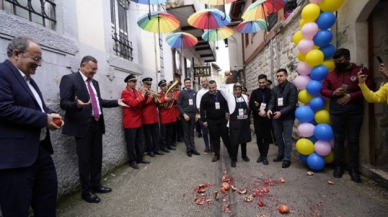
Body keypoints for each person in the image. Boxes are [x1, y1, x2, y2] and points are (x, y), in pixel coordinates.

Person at [0, 36, 63, 217]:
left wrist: (52, 115)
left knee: (47, 202)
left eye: (40, 59)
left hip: (40, 152)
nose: (39, 64)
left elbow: (39, 108)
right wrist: (44, 119)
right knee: (16, 209)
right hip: (14, 159)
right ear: (17, 54)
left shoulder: (28, 79)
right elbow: (3, 108)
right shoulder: (2, 73)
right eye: (35, 59)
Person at [60, 55, 128, 203]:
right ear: (83, 66)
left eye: (96, 69)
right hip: (82, 126)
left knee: (97, 157)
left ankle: (96, 184)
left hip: (97, 123)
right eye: (92, 69)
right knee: (84, 160)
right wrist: (78, 105)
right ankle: (86, 192)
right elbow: (64, 103)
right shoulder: (69, 79)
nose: (94, 72)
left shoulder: (94, 83)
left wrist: (116, 102)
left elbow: (99, 101)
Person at [321, 48, 373, 183]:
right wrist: (333, 93)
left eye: (341, 61)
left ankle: (354, 169)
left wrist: (352, 96)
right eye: (336, 61)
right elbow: (323, 90)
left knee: (353, 140)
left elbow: (370, 88)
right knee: (338, 139)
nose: (338, 63)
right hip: (336, 111)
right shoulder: (331, 75)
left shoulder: (360, 71)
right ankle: (338, 167)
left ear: (349, 59)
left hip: (354, 111)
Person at [267, 69, 297, 169]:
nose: (279, 78)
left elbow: (292, 105)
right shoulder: (275, 89)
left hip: (287, 117)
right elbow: (272, 101)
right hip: (276, 117)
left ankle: (287, 158)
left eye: (281, 76)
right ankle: (280, 154)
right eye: (278, 76)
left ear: (286, 76)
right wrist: (269, 109)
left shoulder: (291, 87)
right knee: (278, 137)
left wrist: (281, 112)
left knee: (287, 138)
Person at [121, 75, 150, 170]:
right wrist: (142, 96)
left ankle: (140, 157)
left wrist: (145, 95)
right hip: (130, 121)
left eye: (135, 81)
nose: (135, 83)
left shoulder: (136, 91)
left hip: (138, 120)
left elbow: (142, 103)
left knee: (139, 140)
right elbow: (133, 103)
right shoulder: (125, 93)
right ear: (128, 83)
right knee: (131, 142)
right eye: (133, 81)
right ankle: (132, 160)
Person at [200, 80, 231, 162]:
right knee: (215, 139)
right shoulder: (205, 97)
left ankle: (231, 152)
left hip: (222, 120)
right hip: (212, 121)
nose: (212, 89)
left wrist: (227, 112)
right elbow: (202, 109)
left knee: (226, 137)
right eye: (210, 88)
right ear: (208, 87)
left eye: (213, 88)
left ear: (216, 86)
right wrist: (204, 120)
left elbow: (227, 103)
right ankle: (217, 155)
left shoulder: (221, 94)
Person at [227, 83, 252, 167]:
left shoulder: (245, 97)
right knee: (234, 141)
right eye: (236, 90)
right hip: (235, 123)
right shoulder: (231, 98)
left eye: (239, 90)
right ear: (234, 90)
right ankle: (234, 159)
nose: (237, 91)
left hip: (244, 122)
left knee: (244, 140)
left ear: (241, 90)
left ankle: (244, 155)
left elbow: (248, 107)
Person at [250, 74, 272, 165]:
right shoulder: (255, 92)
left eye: (263, 82)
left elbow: (272, 103)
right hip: (258, 118)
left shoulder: (271, 92)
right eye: (260, 83)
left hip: (267, 118)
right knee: (259, 137)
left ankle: (265, 156)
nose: (262, 84)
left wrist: (265, 111)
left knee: (266, 137)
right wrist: (258, 111)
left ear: (266, 82)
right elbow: (251, 105)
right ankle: (261, 154)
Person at [141, 77, 164, 158]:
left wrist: (156, 99)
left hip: (154, 117)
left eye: (150, 84)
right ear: (143, 84)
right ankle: (149, 150)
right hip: (146, 117)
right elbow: (142, 103)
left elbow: (158, 103)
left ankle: (156, 149)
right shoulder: (141, 92)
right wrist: (151, 97)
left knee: (155, 134)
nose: (149, 86)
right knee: (148, 136)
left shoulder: (152, 92)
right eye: (147, 84)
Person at [177, 78, 200, 157]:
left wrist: (197, 113)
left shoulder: (194, 92)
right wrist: (184, 114)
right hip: (185, 115)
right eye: (187, 83)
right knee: (186, 133)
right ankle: (188, 149)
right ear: (184, 84)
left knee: (191, 132)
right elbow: (179, 105)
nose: (188, 84)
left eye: (189, 83)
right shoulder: (182, 93)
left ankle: (193, 148)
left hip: (193, 115)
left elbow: (197, 104)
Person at [158, 79, 177, 153]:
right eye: (162, 86)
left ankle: (169, 144)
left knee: (170, 132)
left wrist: (175, 99)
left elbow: (175, 103)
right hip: (164, 116)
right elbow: (158, 104)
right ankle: (163, 146)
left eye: (165, 85)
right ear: (160, 87)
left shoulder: (171, 93)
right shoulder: (159, 94)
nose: (164, 87)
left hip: (171, 116)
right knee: (164, 133)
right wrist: (165, 99)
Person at [196, 77, 212, 154]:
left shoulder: (211, 90)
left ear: (207, 81)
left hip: (212, 116)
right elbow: (199, 106)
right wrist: (203, 116)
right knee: (204, 133)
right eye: (202, 82)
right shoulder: (199, 92)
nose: (203, 83)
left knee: (212, 132)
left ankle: (212, 147)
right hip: (203, 116)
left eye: (205, 81)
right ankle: (207, 147)